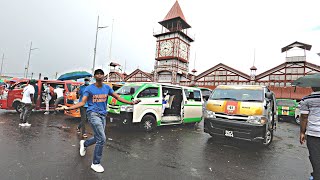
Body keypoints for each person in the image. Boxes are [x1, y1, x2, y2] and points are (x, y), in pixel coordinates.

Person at [56, 69, 140, 173]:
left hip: (103, 115)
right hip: (93, 114)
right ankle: (95, 163)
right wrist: (68, 108)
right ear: (95, 76)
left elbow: (118, 97)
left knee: (98, 137)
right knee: (102, 139)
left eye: (101, 74)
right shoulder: (89, 88)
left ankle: (85, 144)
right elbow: (82, 102)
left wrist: (131, 103)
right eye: (97, 74)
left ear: (103, 76)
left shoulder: (107, 88)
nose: (99, 75)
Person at [300, 86, 320, 180]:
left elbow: (304, 117)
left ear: (312, 87)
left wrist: (302, 133)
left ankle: (316, 174)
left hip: (313, 133)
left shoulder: (306, 99)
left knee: (315, 156)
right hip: (313, 133)